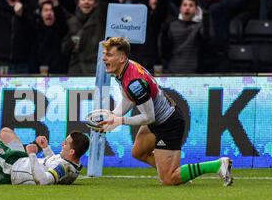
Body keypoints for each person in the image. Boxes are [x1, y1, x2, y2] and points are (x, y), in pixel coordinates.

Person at [98, 37, 234, 187]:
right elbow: (128, 99)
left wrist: (120, 121)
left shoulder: (134, 82)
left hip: (169, 124)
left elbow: (148, 117)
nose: (104, 58)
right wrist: (114, 114)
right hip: (160, 119)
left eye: (109, 55)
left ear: (122, 57)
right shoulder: (124, 69)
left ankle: (216, 165)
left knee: (168, 180)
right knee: (138, 152)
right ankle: (179, 174)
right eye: (104, 54)